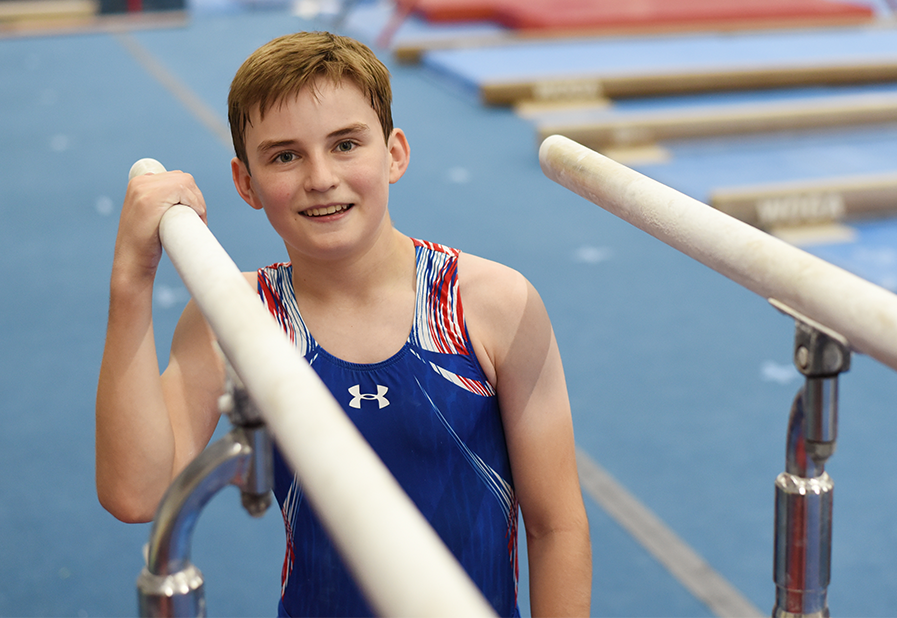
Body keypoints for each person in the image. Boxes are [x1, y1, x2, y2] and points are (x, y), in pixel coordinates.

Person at [95, 31, 591, 618]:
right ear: (246, 182)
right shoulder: (235, 317)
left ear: (395, 154)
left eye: (346, 144)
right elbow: (137, 494)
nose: (321, 177)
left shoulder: (493, 305)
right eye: (285, 155)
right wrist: (131, 281)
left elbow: (556, 526)